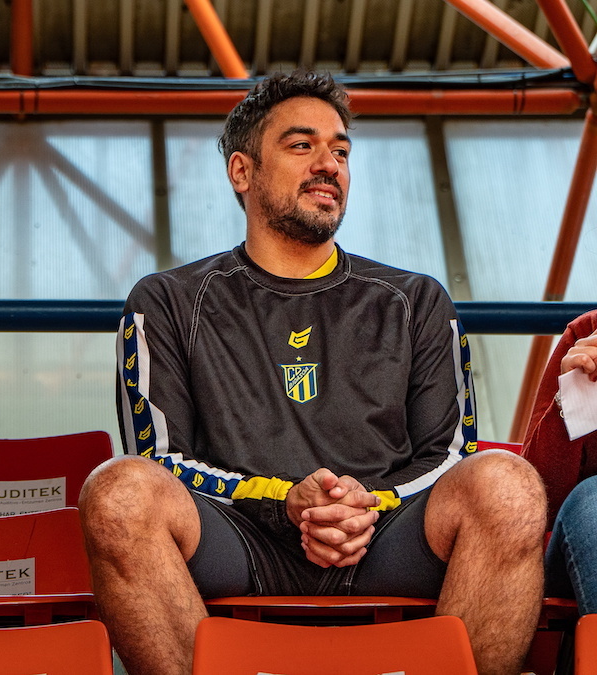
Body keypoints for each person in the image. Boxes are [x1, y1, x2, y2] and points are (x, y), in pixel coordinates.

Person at [79, 71, 546, 675]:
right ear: (241, 172)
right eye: (302, 145)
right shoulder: (168, 300)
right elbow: (164, 460)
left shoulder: (415, 299)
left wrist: (368, 504)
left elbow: (451, 454)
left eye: (341, 150)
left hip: (384, 537)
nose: (329, 163)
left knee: (507, 486)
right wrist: (285, 504)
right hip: (243, 541)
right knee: (119, 492)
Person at [522, 309, 597, 613]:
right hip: (581, 542)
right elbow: (537, 502)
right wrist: (575, 397)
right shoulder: (587, 332)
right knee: (593, 499)